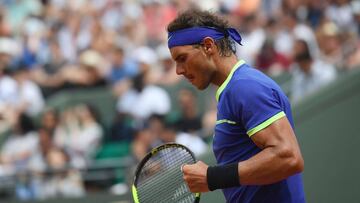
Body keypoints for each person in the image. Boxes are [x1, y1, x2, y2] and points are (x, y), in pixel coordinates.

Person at [167, 9, 305, 203]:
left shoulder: (244, 87)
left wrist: (212, 177)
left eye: (182, 58)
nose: (178, 70)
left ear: (208, 46)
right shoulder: (233, 90)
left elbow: (288, 157)